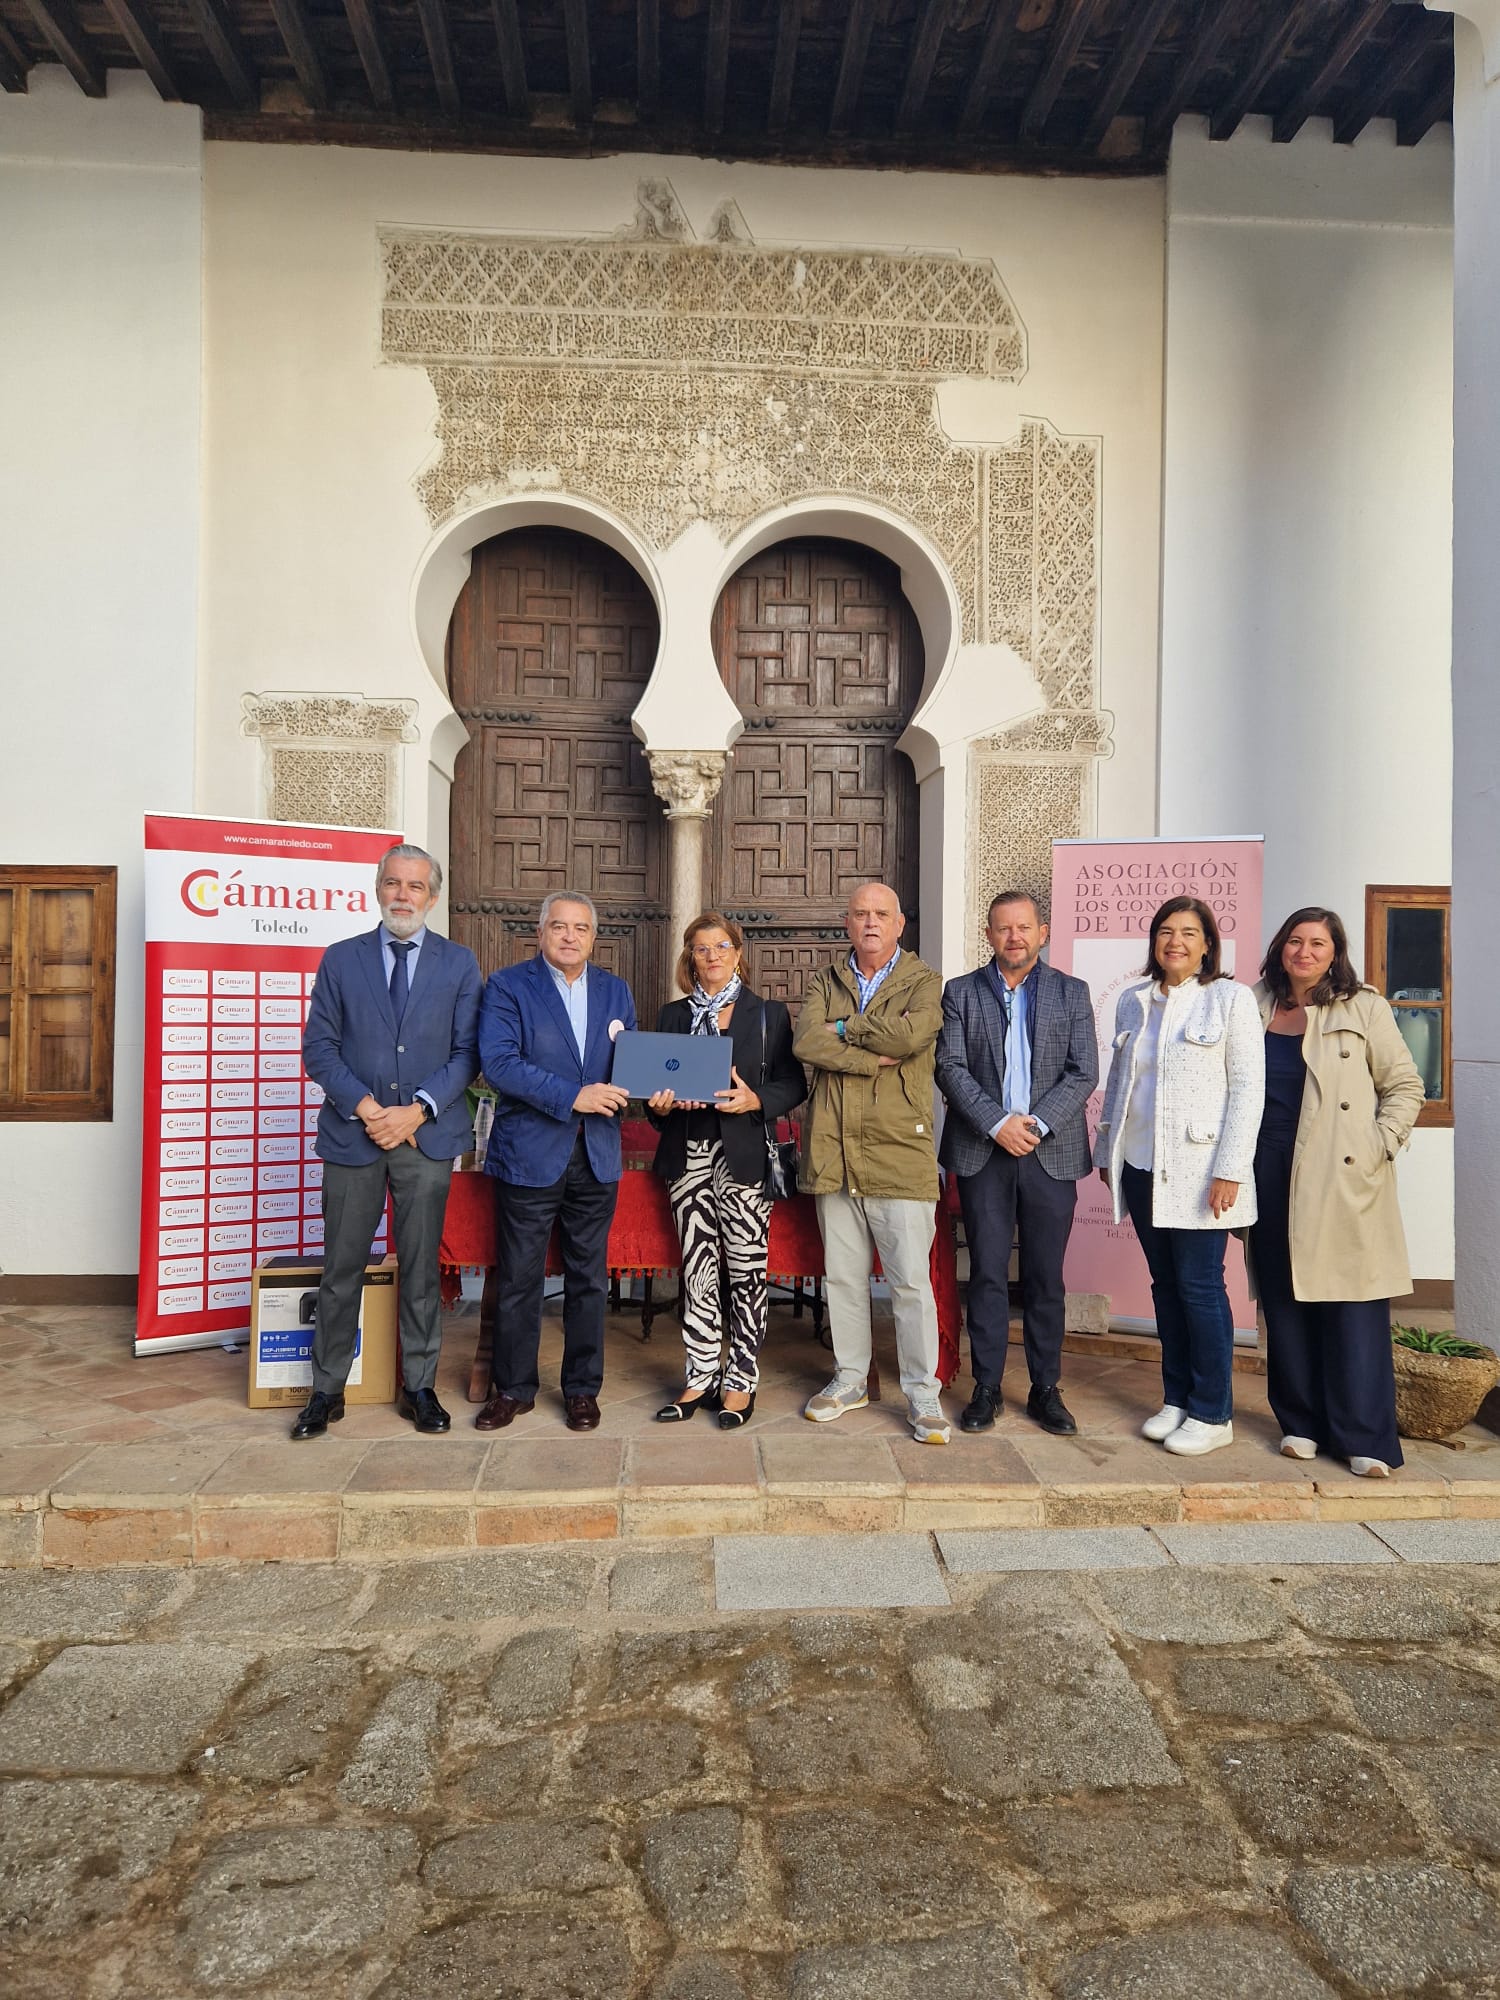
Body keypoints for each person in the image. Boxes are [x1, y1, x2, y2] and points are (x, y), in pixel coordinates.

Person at [294, 844, 481, 1440]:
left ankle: (419, 1386)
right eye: (394, 884)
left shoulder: (459, 964)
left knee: (422, 1268)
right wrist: (371, 1109)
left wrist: (417, 1111)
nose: (404, 895)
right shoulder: (341, 960)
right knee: (342, 1265)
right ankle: (326, 1389)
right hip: (355, 1134)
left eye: (416, 886)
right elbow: (318, 1049)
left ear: (433, 895)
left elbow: (467, 1054)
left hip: (425, 1139)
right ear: (378, 888)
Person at [1250, 906, 1425, 1477]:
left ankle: (1365, 1435)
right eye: (1295, 941)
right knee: (1284, 1296)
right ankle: (1301, 1422)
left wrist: (1380, 1144)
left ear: (1335, 951)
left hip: (1340, 1168)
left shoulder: (1363, 1005)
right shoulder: (1252, 1004)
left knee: (1351, 1303)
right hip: (1267, 1165)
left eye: (1317, 943)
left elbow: (1404, 1084)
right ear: (1280, 947)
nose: (1304, 952)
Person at [1095, 896, 1264, 1457]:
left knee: (1199, 1287)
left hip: (1200, 1172)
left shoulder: (1229, 1000)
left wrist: (1231, 1169)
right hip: (1142, 1167)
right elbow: (1121, 1085)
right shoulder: (1133, 1001)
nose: (1176, 942)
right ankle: (1177, 1399)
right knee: (1165, 1286)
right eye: (1166, 932)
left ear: (1208, 944)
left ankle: (1214, 1412)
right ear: (1154, 942)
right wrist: (1107, 1155)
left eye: (1190, 933)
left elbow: (1247, 1090)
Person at [936, 890, 1098, 1435]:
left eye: (1024, 928)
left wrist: (1035, 1124)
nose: (1015, 937)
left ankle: (1045, 1388)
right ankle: (986, 1387)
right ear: (989, 936)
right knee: (984, 1273)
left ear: (1042, 932)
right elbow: (951, 1067)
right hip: (984, 1150)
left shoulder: (1071, 993)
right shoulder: (959, 993)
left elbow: (1083, 1071)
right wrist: (997, 1123)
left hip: (1050, 1151)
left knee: (1044, 1277)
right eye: (1004, 929)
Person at [794, 882, 949, 1444]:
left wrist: (847, 1027)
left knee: (909, 1282)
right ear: (847, 922)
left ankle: (922, 1390)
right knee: (844, 1278)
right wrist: (868, 1057)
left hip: (898, 1150)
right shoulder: (824, 980)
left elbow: (910, 1036)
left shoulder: (925, 982)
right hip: (834, 1149)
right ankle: (850, 1378)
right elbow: (806, 1042)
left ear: (899, 923)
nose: (870, 923)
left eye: (881, 914)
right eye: (860, 914)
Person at [474, 891, 636, 1433]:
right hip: (529, 1154)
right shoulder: (508, 986)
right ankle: (513, 1389)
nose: (570, 936)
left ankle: (583, 1390)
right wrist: (574, 1095)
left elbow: (629, 1066)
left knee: (589, 1280)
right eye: (559, 927)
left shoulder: (617, 991)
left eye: (581, 928)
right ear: (541, 932)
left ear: (594, 936)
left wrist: (660, 1085)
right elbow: (498, 1063)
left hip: (597, 1155)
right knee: (520, 1279)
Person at [646, 913, 807, 1429]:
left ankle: (739, 1379)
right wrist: (663, 1106)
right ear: (689, 958)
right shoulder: (672, 1015)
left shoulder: (768, 1015)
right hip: (686, 1155)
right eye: (700, 948)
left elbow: (794, 1085)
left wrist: (754, 1099)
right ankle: (699, 1373)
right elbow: (652, 1097)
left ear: (738, 953)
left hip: (743, 1157)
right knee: (697, 1268)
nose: (711, 956)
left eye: (720, 947)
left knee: (744, 1270)